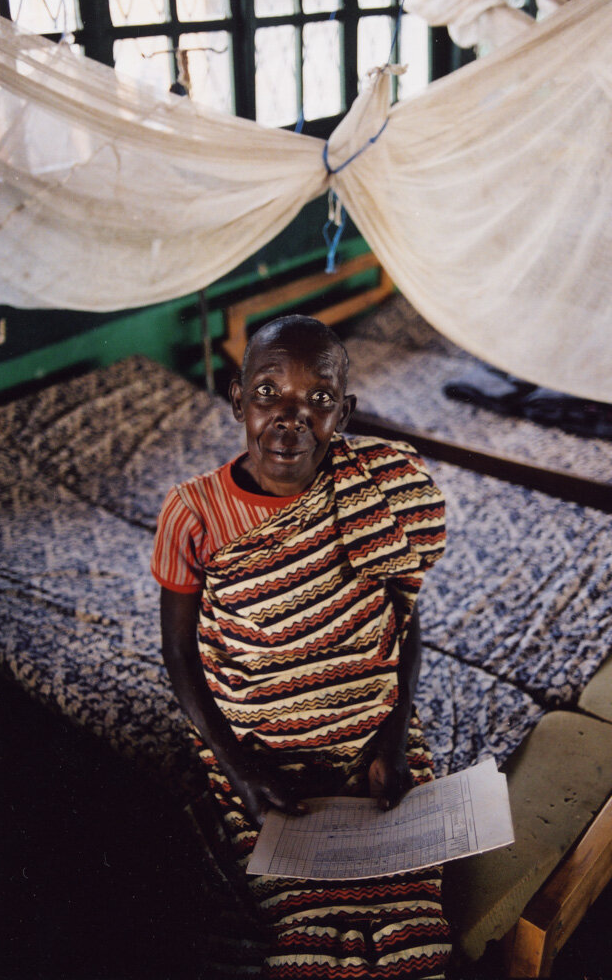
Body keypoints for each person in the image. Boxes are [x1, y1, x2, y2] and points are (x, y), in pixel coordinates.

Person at [151, 315, 451, 978]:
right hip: (262, 748)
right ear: (237, 400)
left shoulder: (371, 496)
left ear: (343, 412)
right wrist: (240, 772)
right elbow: (179, 657)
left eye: (317, 400)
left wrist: (391, 741)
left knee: (417, 929)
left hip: (365, 726)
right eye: (267, 394)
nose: (290, 418)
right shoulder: (193, 513)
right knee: (303, 935)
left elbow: (401, 618)